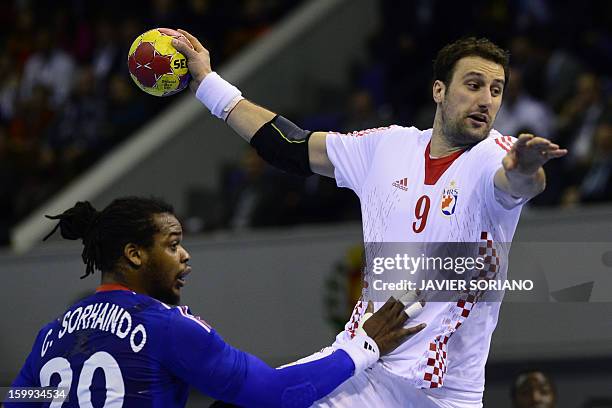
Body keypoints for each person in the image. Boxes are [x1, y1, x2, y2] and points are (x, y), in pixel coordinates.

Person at [173, 32, 567, 407]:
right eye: (474, 85)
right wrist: (208, 84)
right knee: (246, 403)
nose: (486, 100)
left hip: (436, 392)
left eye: (496, 91)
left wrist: (527, 167)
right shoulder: (389, 146)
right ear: (439, 90)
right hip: (366, 360)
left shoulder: (494, 156)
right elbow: (291, 147)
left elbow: (518, 184)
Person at [5, 197, 426, 408]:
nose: (185, 255)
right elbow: (277, 394)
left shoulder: (51, 334)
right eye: (172, 245)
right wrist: (363, 347)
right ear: (134, 254)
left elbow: (21, 399)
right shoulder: (163, 325)